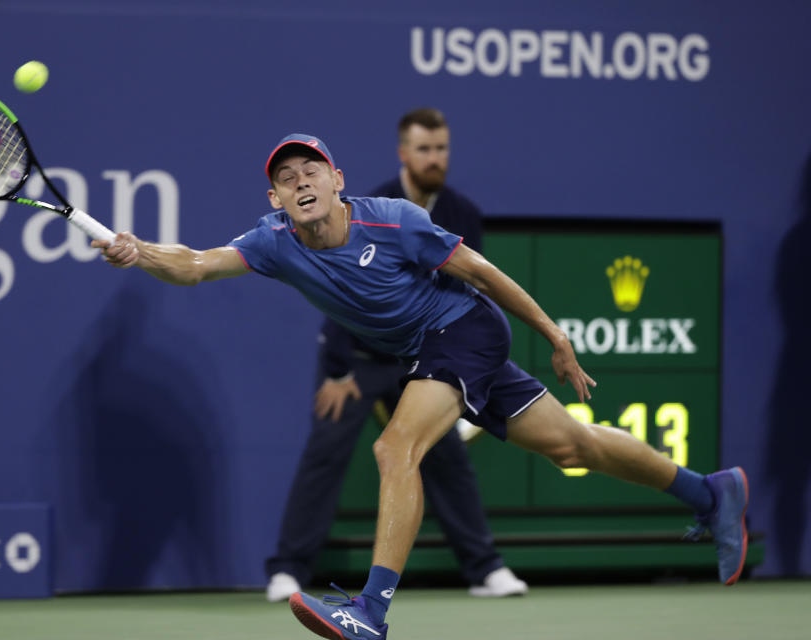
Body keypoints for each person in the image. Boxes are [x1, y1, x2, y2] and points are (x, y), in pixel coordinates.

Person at [93, 133, 749, 640]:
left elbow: (483, 273)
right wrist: (139, 251)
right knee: (574, 447)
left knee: (395, 448)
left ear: (337, 179)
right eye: (286, 179)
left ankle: (371, 611)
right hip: (428, 351)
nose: (301, 183)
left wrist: (553, 334)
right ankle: (709, 493)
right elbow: (198, 265)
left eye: (311, 170)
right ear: (276, 200)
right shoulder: (274, 243)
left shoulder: (394, 219)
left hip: (466, 331)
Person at [263, 108, 526, 603]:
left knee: (444, 455)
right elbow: (339, 293)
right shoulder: (373, 204)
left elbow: (466, 287)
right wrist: (339, 370)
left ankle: (485, 567)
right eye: (425, 149)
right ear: (405, 153)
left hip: (426, 352)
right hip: (357, 358)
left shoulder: (462, 211)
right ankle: (289, 569)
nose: (435, 158)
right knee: (327, 449)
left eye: (441, 149)